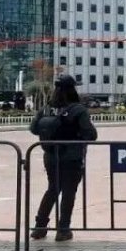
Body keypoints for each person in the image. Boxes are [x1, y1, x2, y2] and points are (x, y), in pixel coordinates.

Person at [29, 74, 98, 241]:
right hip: (72, 156)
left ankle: (39, 227)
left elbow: (33, 129)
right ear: (72, 89)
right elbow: (91, 134)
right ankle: (63, 229)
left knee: (52, 189)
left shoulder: (46, 108)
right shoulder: (77, 109)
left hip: (50, 155)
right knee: (68, 191)